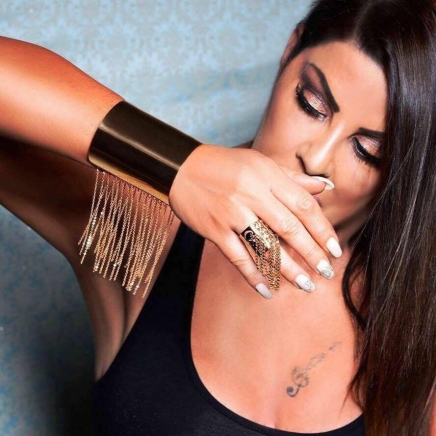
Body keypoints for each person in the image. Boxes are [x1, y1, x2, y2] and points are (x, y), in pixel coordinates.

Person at [0, 0, 435, 434]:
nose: (317, 158)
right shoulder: (145, 234)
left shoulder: (415, 317)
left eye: (368, 151)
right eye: (311, 104)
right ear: (290, 51)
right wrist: (178, 165)